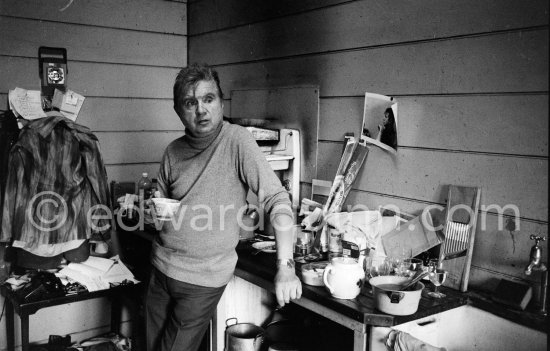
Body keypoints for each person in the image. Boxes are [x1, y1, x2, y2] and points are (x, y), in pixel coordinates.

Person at [145, 63, 302, 351]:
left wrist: (286, 265)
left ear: (220, 102)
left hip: (201, 279)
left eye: (208, 99)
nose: (201, 110)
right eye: (190, 103)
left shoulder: (236, 140)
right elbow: (161, 211)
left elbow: (277, 200)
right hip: (161, 270)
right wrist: (154, 212)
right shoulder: (173, 151)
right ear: (179, 110)